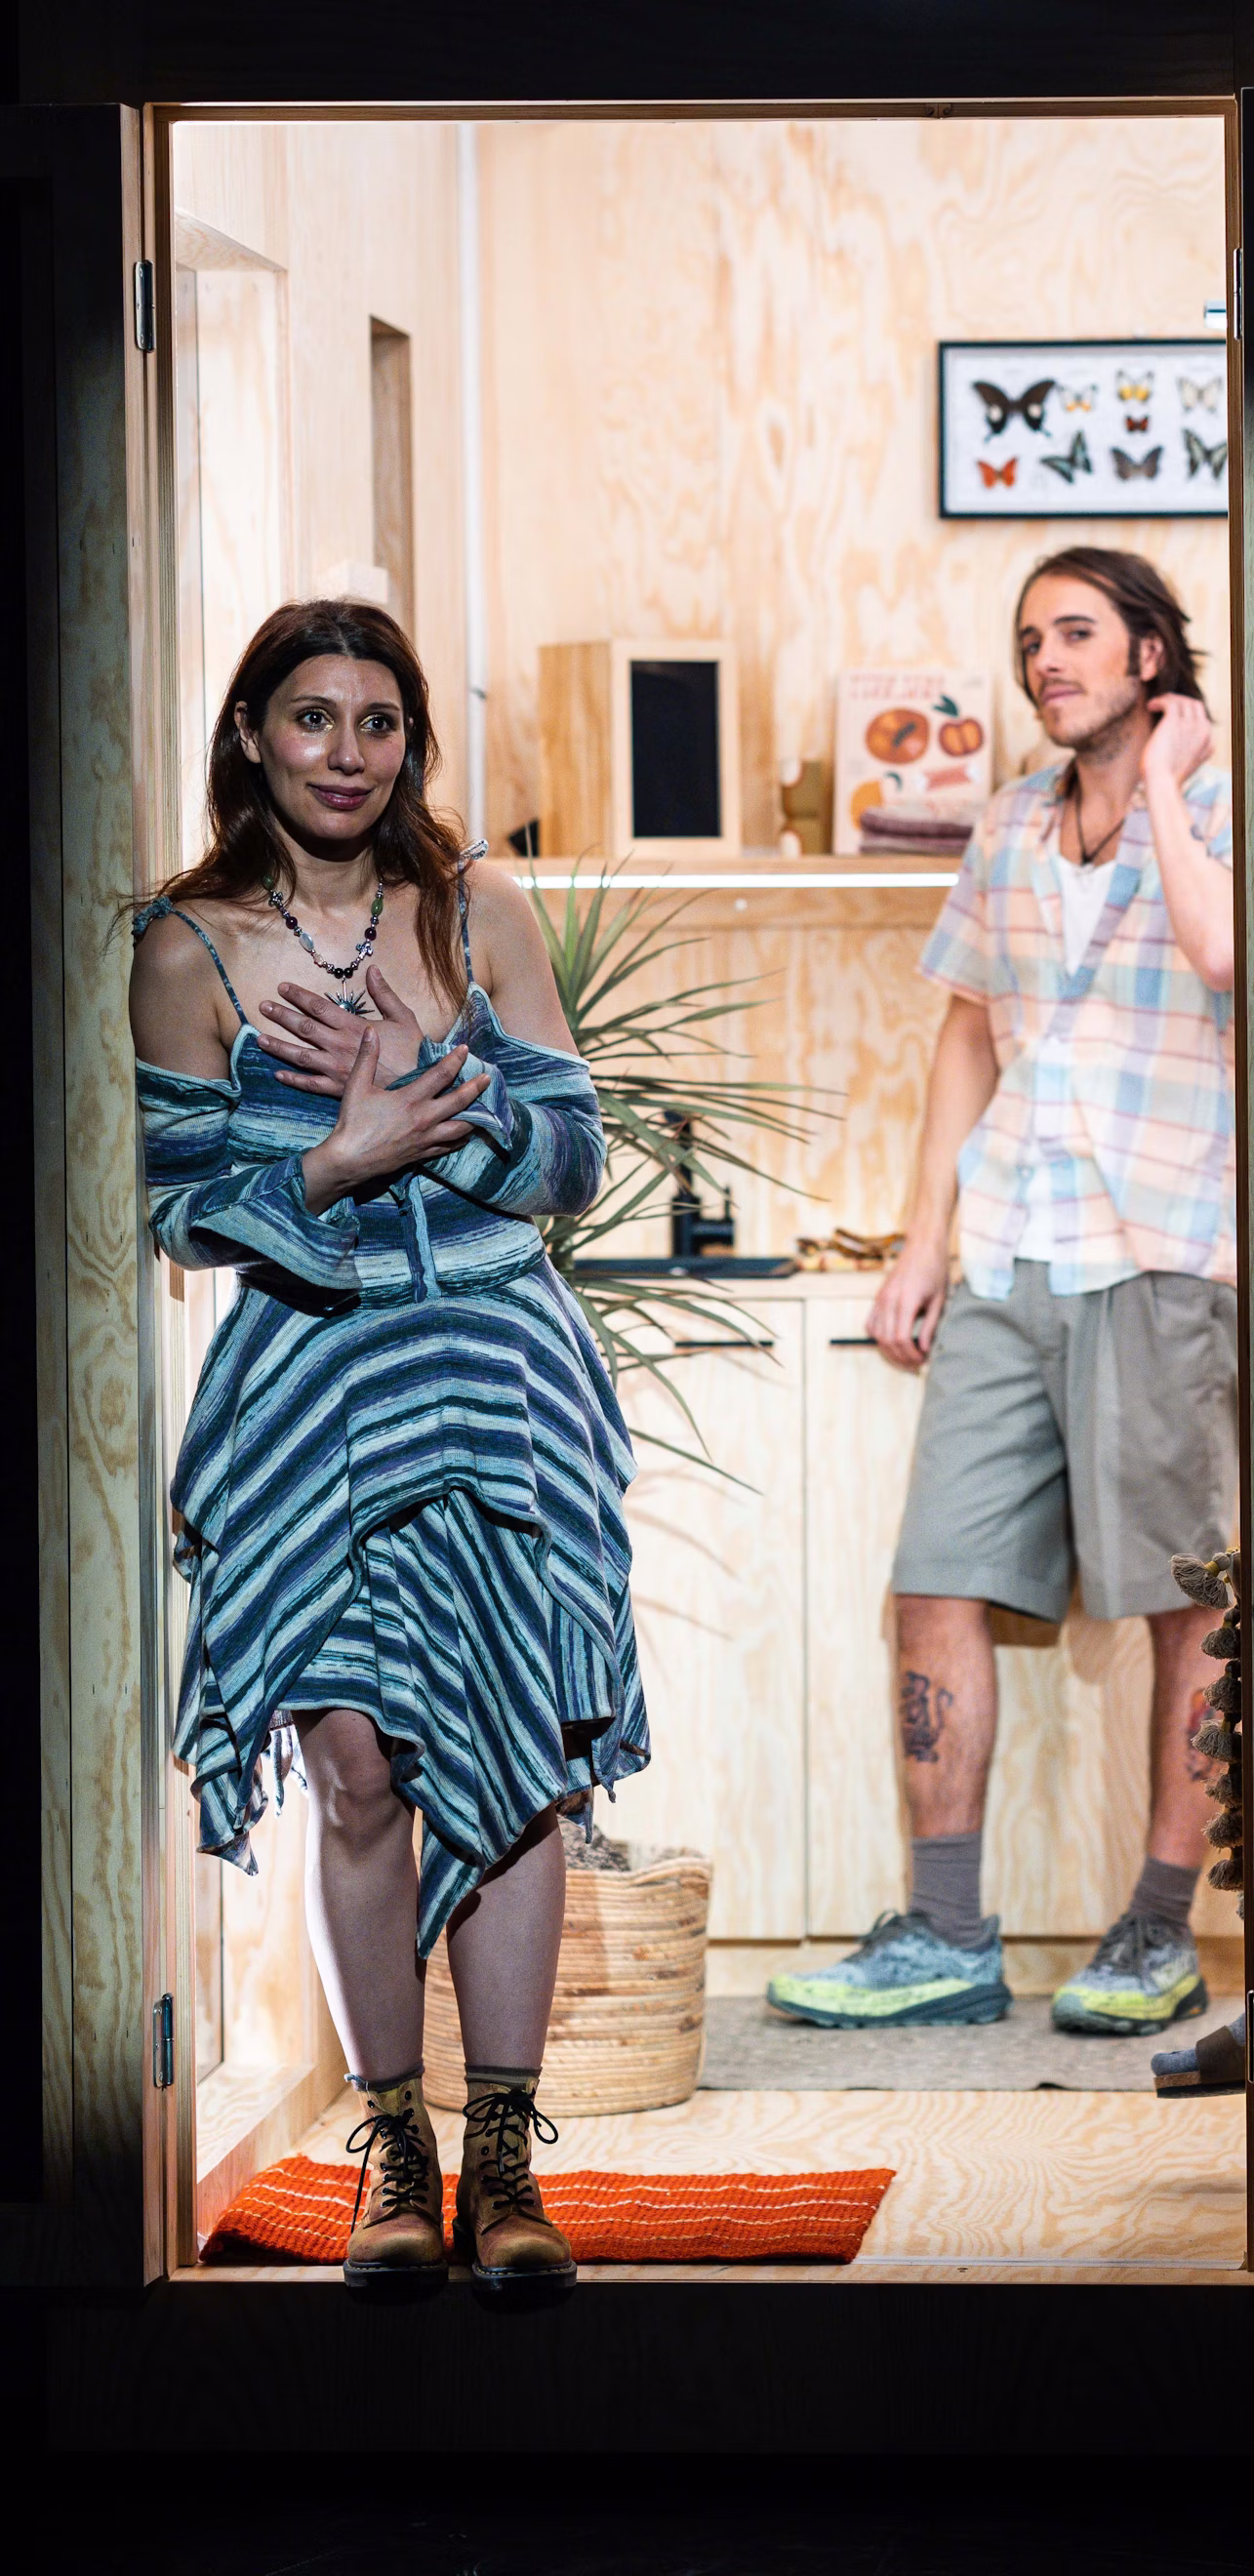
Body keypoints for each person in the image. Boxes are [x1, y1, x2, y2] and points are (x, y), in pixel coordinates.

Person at [129, 600, 648, 2307]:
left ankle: (505, 2156)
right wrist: (338, 1161)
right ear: (252, 735)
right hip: (313, 1390)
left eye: (377, 722)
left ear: (409, 743)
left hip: (501, 1376)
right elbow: (175, 1214)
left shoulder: (476, 909)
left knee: (516, 1750)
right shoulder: (187, 948)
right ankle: (395, 2148)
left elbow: (572, 1160)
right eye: (311, 718)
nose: (345, 753)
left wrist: (442, 1085)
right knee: (356, 1770)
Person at [767, 547, 1236, 2040]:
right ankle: (948, 1936)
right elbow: (968, 1032)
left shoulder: (1230, 809)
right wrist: (926, 1238)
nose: (1047, 660)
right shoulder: (1010, 823)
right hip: (1011, 1243)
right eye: (1032, 637)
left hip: (1167, 1250)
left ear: (1152, 657)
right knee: (936, 1577)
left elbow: (1229, 954)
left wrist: (1167, 787)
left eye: (1079, 633)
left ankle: (1159, 1930)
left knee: (1185, 1605)